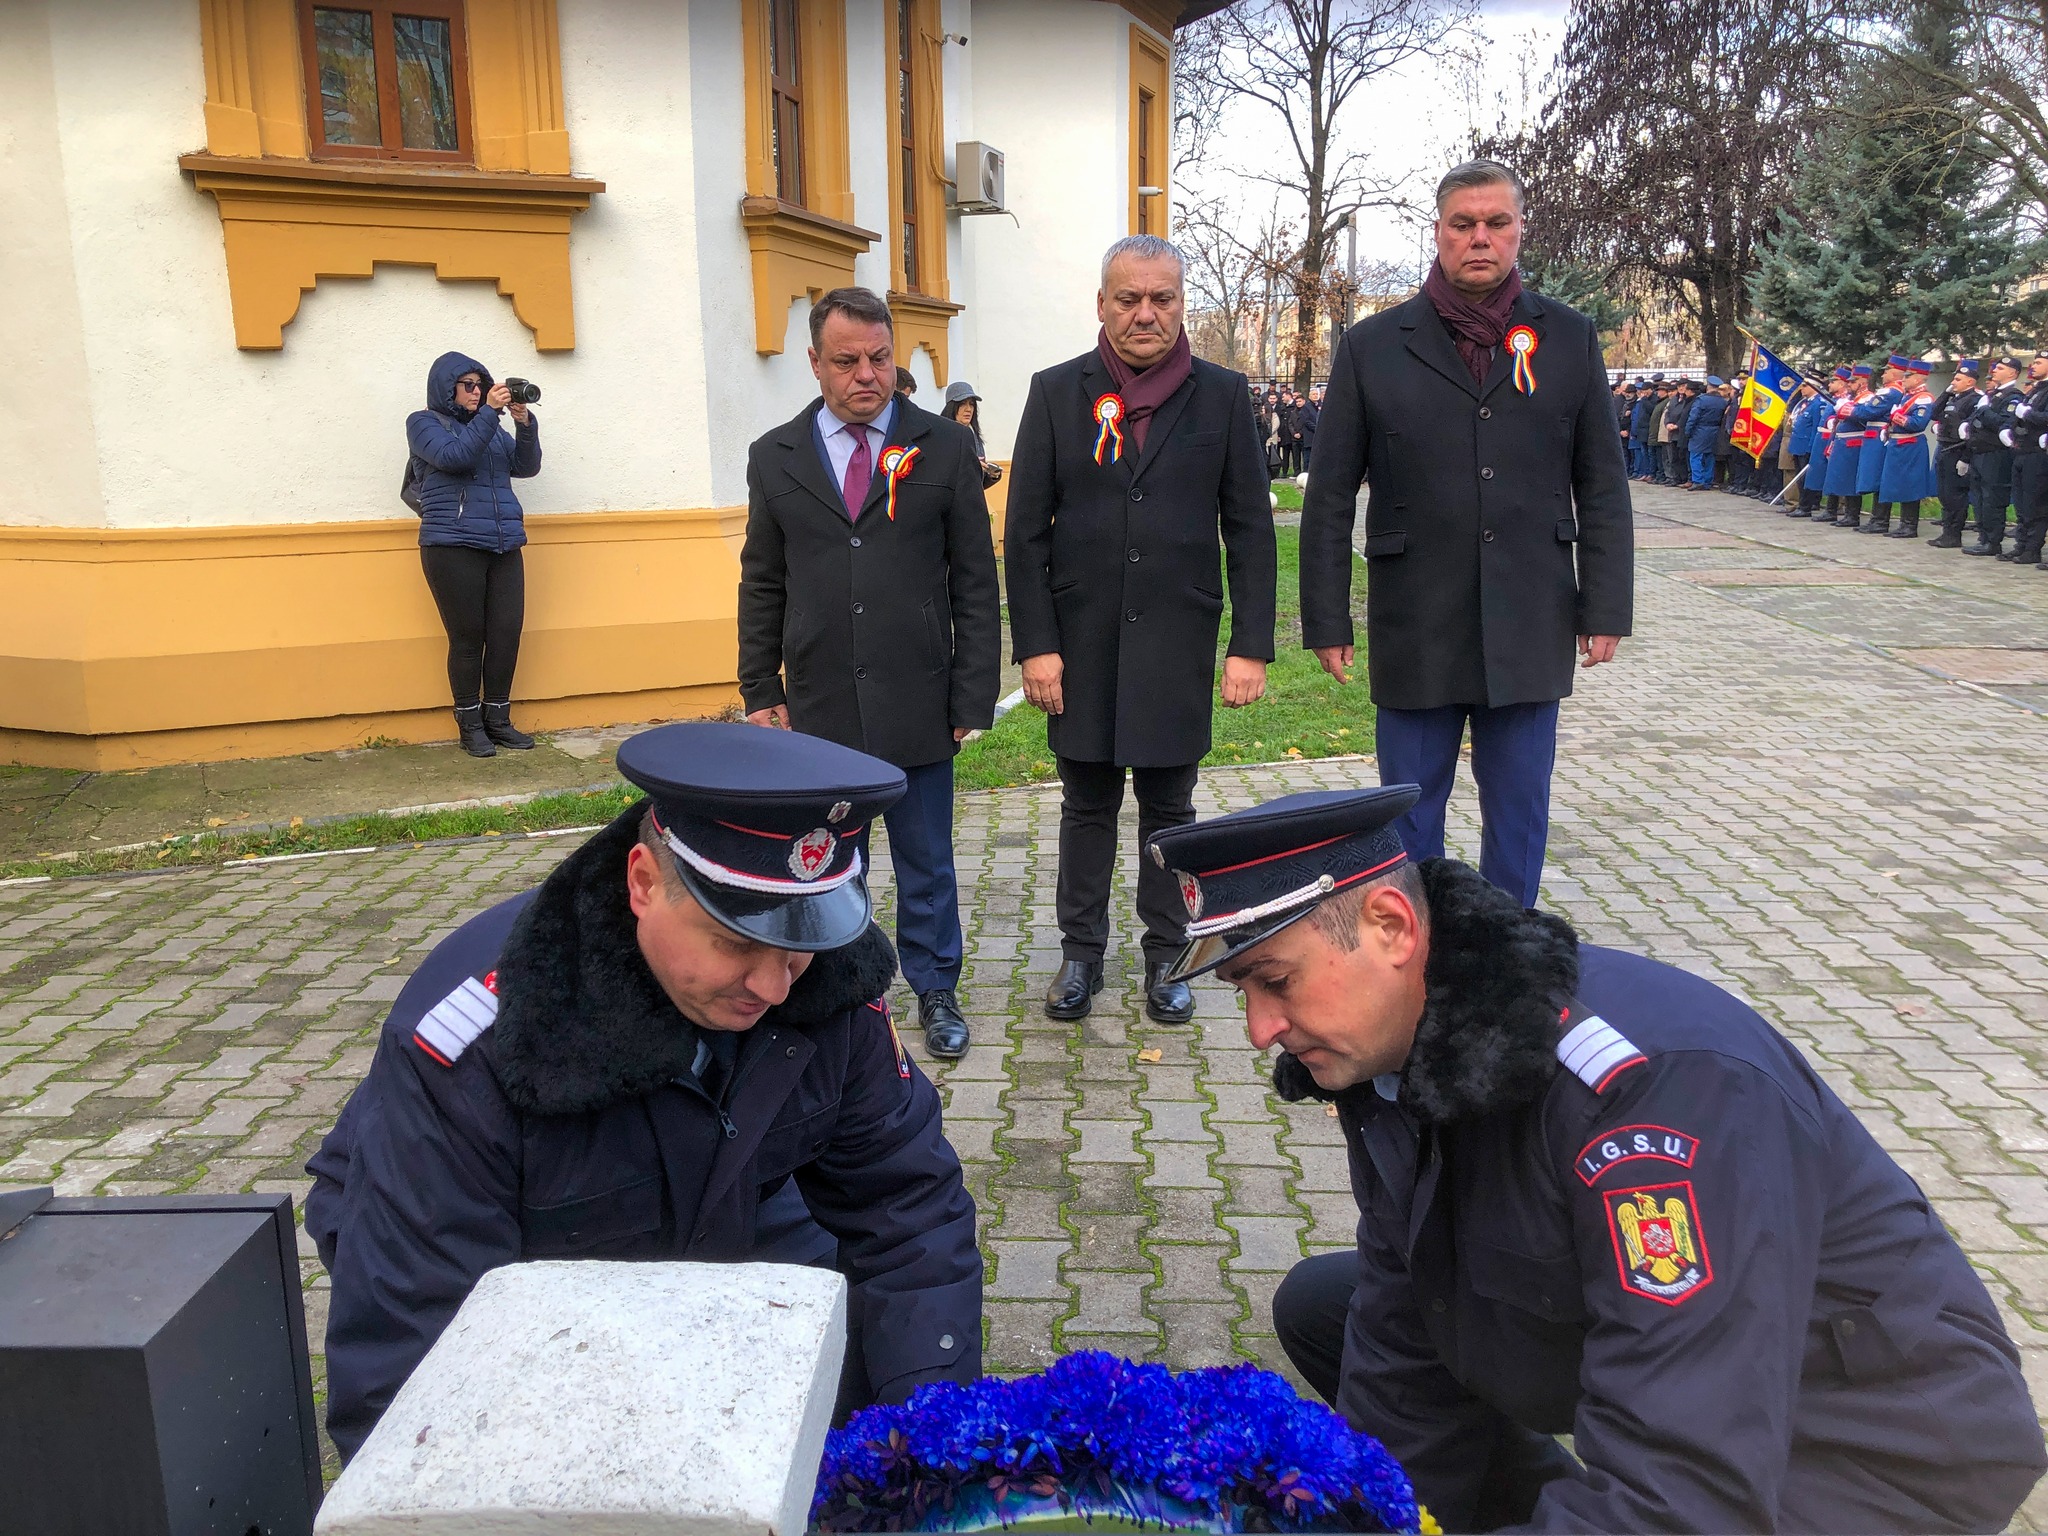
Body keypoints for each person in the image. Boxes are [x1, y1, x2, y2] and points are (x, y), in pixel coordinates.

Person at [1141, 786, 2048, 1534]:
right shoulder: (1386, 1040)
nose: (1260, 1029)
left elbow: (1686, 1496)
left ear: (1391, 927)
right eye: (1244, 992)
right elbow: (1403, 1313)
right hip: (1707, 1382)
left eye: (1275, 981)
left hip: (1870, 1449)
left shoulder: (1645, 1098)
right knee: (1330, 1307)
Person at [305, 721, 985, 1463]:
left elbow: (907, 1212)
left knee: (834, 1379)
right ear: (643, 882)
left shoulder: (829, 981)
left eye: (799, 944)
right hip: (510, 1264)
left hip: (730, 1208)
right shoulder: (477, 1044)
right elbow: (413, 1344)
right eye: (736, 941)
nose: (773, 985)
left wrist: (931, 1442)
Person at [1299, 159, 1632, 909]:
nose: (1480, 237)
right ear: (1439, 232)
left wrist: (1606, 606)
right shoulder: (1372, 346)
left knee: (1519, 811)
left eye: (1496, 223)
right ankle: (1419, 952)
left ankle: (1509, 952)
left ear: (1519, 231)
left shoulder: (1568, 339)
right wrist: (1327, 618)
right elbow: (1329, 496)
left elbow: (1602, 485)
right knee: (1410, 816)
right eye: (1463, 224)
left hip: (1531, 614)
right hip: (1417, 618)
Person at [1005, 233, 1276, 1024]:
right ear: (1102, 304)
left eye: (1162, 298)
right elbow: (1024, 534)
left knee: (1170, 809)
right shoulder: (1057, 392)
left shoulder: (1223, 396)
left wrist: (1250, 645)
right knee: (1085, 804)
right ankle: (1080, 955)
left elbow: (1250, 531)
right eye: (1129, 299)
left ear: (1182, 304)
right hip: (1080, 644)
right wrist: (1036, 644)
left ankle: (1167, 957)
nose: (1145, 313)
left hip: (1176, 641)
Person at [737, 288, 1000, 1060]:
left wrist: (972, 691)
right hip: (819, 705)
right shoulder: (776, 457)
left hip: (918, 696)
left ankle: (936, 987)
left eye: (880, 359)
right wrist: (761, 688)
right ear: (815, 363)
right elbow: (763, 582)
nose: (866, 375)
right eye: (847, 361)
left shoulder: (943, 448)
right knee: (830, 864)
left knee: (927, 862)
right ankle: (845, 995)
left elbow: (974, 581)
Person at [408, 352, 542, 758]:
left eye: (481, 385)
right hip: (452, 544)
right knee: (468, 639)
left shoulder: (491, 428)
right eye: (468, 385)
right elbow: (454, 457)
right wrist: (490, 413)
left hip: (504, 542)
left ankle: (498, 720)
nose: (477, 391)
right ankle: (469, 724)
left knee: (505, 634)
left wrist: (524, 425)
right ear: (446, 389)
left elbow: (526, 467)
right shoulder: (424, 423)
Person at [1965, 356, 2026, 555]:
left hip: (1996, 454)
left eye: (2000, 368)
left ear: (2012, 373)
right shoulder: (1993, 395)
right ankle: (1983, 537)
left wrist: (1983, 410)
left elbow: (2002, 423)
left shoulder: (2013, 397)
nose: (1994, 371)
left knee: (1992, 498)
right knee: (1979, 498)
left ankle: (1993, 541)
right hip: (1979, 453)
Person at [1929, 360, 1981, 548]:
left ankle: (1954, 534)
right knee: (1944, 494)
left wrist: (1965, 458)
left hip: (1958, 450)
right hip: (1944, 448)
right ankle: (1947, 532)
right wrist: (1946, 393)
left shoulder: (1974, 400)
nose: (1953, 382)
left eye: (1958, 379)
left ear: (1970, 382)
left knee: (1955, 495)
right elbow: (1933, 413)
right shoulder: (1953, 398)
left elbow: (1971, 432)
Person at [2004, 352, 2048, 567]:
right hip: (2022, 451)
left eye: (2039, 362)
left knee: (2035, 504)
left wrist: (2027, 414)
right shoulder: (2036, 390)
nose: (2033, 366)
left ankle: (2032, 548)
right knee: (2021, 503)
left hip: (2037, 454)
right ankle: (2021, 545)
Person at [1819, 364, 1874, 526]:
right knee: (1838, 477)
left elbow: (1862, 416)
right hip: (1842, 440)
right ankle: (1833, 510)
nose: (1849, 384)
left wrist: (1845, 410)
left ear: (1862, 382)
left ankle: (1852, 515)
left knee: (1850, 479)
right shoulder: (1852, 398)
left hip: (1854, 441)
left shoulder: (1868, 398)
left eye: (1853, 382)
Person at [942, 380, 1004, 490]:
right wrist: (972, 468)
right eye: (962, 404)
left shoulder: (975, 436)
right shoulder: (942, 435)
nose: (968, 409)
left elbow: (977, 484)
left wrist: (991, 475)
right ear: (952, 407)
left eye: (971, 404)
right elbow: (943, 474)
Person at [1784, 374, 1825, 517]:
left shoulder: (1818, 404)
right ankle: (1802, 504)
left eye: (1805, 386)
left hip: (1807, 446)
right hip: (1798, 445)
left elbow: (1816, 428)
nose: (1802, 388)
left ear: (1814, 387)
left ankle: (1806, 506)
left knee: (1806, 478)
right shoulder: (1804, 403)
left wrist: (1811, 448)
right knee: (1800, 478)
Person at [1684, 378, 1726, 490]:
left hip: (1700, 430)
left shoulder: (1701, 400)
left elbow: (1693, 417)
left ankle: (1698, 480)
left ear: (1708, 387)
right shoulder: (1722, 401)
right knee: (1709, 456)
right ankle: (1708, 481)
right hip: (1715, 430)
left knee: (1695, 456)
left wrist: (1688, 431)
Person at [1298, 386, 1322, 471]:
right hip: (1310, 435)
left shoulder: (1321, 406)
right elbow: (1306, 421)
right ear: (1309, 396)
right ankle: (1306, 472)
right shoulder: (1306, 407)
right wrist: (1317, 428)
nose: (1315, 396)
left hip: (1319, 436)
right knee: (1308, 457)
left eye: (1316, 394)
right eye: (1313, 394)